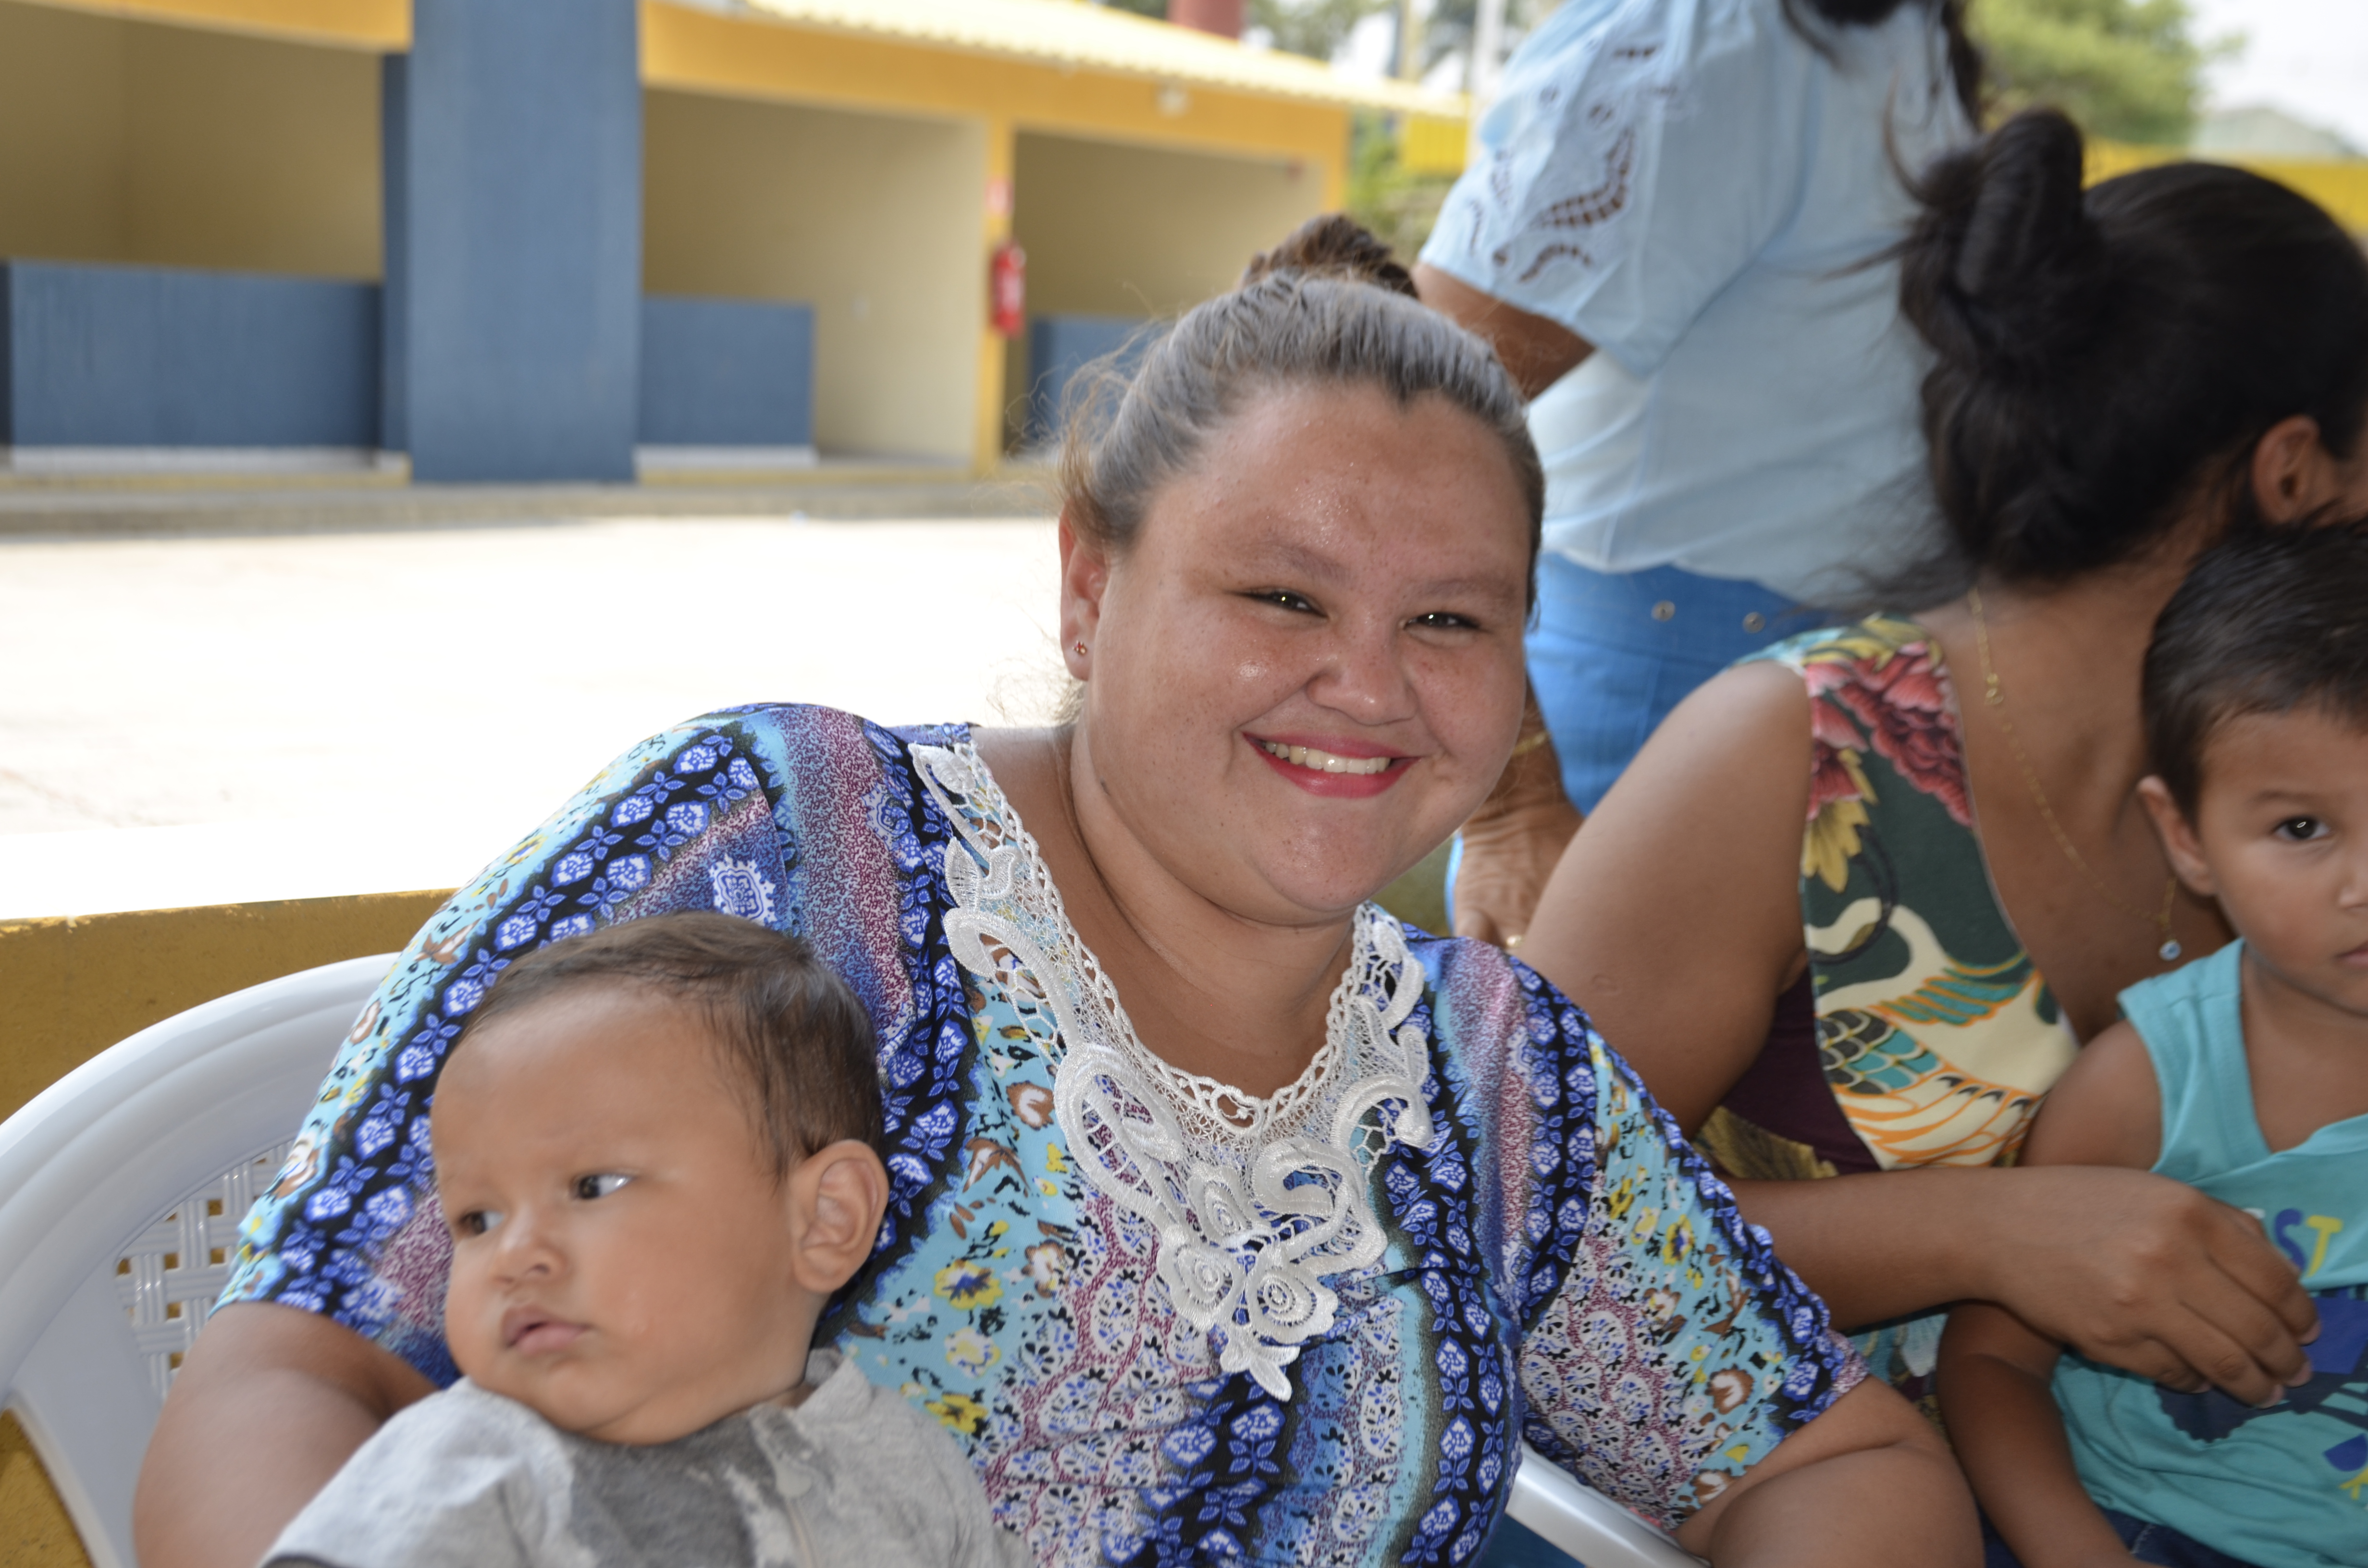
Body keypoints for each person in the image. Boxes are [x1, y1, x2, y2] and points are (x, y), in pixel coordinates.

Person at [134, 218, 1977, 1568]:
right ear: (1091, 588)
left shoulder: (1499, 1078)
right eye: (1277, 595)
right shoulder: (781, 845)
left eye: (1446, 620)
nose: (1366, 683)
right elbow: (299, 1358)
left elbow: (1827, 1460)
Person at [1516, 109, 2368, 1424]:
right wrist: (1992, 1234)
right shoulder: (1791, 758)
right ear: (2296, 473)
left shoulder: (2311, 807)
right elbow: (1513, 1213)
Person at [1412, 0, 1982, 944]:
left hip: (1819, 720)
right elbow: (1389, 425)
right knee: (1581, 1094)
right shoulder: (1707, 33)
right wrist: (1510, 803)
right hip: (1645, 726)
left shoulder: (1880, 35)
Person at [259, 913, 1024, 1568]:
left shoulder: (904, 1467)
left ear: (826, 1220)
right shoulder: (466, 1469)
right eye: (477, 1220)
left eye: (591, 1186)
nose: (517, 1254)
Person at [1941, 522, 2368, 1568]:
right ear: (2187, 838)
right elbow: (1992, 1365)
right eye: (2302, 830)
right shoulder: (2147, 1084)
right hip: (2152, 1531)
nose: (2363, 889)